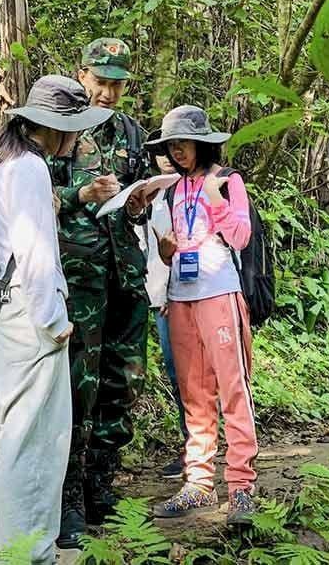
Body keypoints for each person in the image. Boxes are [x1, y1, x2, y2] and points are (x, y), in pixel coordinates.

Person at [0, 75, 111, 565]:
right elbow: (32, 251)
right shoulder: (30, 167)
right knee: (33, 438)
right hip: (29, 315)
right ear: (56, 127)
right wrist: (54, 320)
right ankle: (29, 551)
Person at [49, 38, 150, 547]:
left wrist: (139, 203)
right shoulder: (59, 128)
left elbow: (141, 194)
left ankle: (100, 483)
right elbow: (32, 194)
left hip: (124, 271)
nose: (108, 92)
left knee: (123, 378)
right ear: (82, 74)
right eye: (101, 81)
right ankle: (66, 495)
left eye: (117, 84)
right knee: (76, 386)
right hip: (79, 275)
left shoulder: (132, 133)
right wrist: (80, 193)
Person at [145, 105, 259, 526]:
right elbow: (175, 246)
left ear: (202, 143)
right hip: (181, 297)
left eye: (184, 143)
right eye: (171, 145)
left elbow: (240, 237)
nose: (177, 151)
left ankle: (242, 485)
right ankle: (198, 482)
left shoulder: (227, 181)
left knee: (233, 388)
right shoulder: (172, 189)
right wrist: (166, 252)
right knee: (193, 392)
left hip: (219, 293)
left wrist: (215, 200)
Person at [135, 148, 188, 479]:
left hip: (176, 295)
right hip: (153, 294)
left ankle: (195, 449)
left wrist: (172, 288)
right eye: (159, 152)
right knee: (174, 373)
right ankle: (193, 446)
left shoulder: (185, 192)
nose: (166, 157)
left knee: (184, 374)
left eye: (172, 150)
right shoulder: (148, 193)